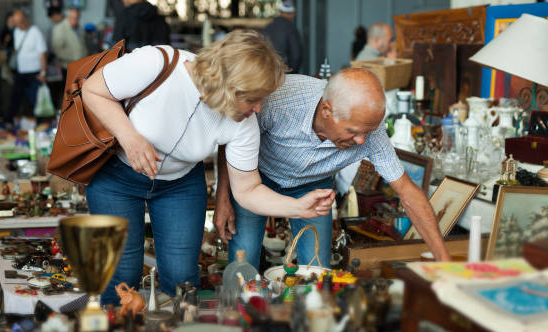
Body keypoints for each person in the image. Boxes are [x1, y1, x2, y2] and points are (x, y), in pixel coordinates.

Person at [81, 30, 334, 306]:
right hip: (116, 177)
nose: (259, 109)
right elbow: (92, 90)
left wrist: (299, 207)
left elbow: (248, 189)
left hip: (179, 184)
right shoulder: (156, 64)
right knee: (120, 271)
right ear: (227, 84)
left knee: (182, 279)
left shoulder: (243, 123)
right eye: (252, 99)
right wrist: (129, 137)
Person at [214, 69, 450, 270]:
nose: (361, 141)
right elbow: (231, 139)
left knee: (317, 268)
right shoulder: (279, 99)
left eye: (367, 132)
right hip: (256, 180)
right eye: (353, 132)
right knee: (242, 260)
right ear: (327, 111)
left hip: (315, 187)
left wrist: (443, 260)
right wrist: (223, 197)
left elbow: (408, 193)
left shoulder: (369, 132)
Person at [5, 10, 47, 123]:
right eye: (15, 23)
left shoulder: (35, 32)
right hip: (21, 72)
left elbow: (42, 53)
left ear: (25, 20)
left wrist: (43, 73)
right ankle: (8, 121)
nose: (17, 25)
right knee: (15, 97)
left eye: (19, 23)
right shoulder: (16, 31)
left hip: (35, 73)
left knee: (36, 100)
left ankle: (40, 123)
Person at [263, 0, 302, 73]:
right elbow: (296, 55)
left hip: (269, 73)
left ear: (280, 12)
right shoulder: (291, 28)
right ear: (292, 14)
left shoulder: (267, 27)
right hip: (285, 73)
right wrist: (292, 73)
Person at [51, 7, 86, 78]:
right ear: (67, 16)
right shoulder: (59, 29)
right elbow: (57, 50)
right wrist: (75, 57)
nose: (75, 20)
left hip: (81, 65)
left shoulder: (80, 28)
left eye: (77, 18)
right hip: (68, 66)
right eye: (72, 18)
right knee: (69, 88)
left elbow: (82, 45)